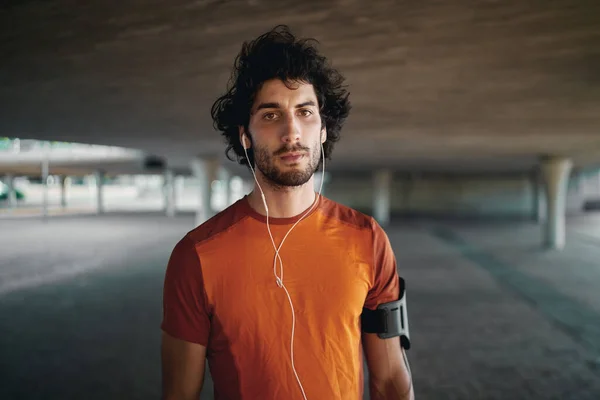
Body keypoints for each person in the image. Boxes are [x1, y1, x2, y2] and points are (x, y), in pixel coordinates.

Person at [160, 25, 414, 400]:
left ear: (323, 130)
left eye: (305, 112)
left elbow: (391, 379)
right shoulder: (195, 256)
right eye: (270, 115)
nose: (291, 131)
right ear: (245, 136)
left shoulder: (368, 240)